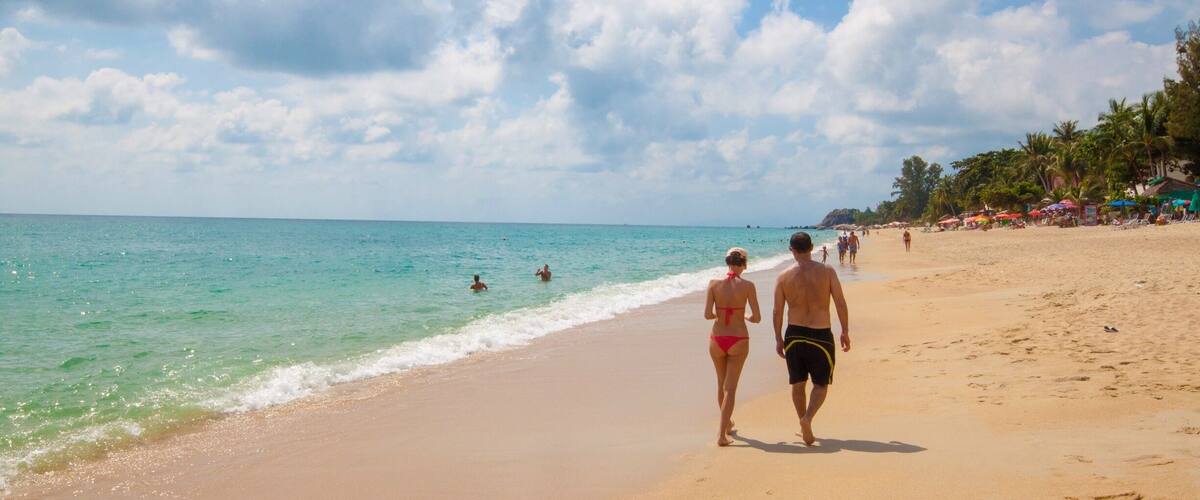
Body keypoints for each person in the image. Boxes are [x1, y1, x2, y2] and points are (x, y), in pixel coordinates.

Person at [773, 232, 850, 446]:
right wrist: (845, 331)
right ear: (812, 247)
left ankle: (802, 422)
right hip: (821, 334)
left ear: (791, 250)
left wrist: (778, 338)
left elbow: (777, 312)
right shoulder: (827, 271)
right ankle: (808, 418)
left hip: (794, 334)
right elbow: (840, 303)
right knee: (821, 384)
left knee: (798, 383)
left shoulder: (783, 276)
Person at [704, 247, 761, 447]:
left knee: (721, 385)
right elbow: (757, 318)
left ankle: (727, 425)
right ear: (744, 264)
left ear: (727, 262)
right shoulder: (748, 286)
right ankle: (721, 434)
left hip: (717, 338)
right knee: (731, 388)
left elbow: (707, 315)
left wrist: (720, 314)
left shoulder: (713, 284)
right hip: (738, 338)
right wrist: (743, 315)